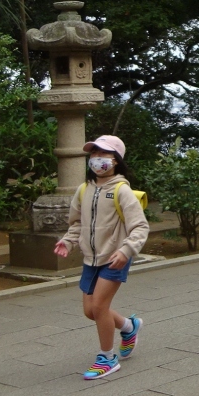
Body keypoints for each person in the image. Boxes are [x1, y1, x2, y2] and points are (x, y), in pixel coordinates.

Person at [54, 135, 150, 379]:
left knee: (99, 307)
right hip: (91, 258)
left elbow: (140, 227)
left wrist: (126, 250)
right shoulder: (84, 189)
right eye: (94, 153)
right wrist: (68, 241)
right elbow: (77, 223)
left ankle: (107, 358)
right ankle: (129, 326)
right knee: (90, 311)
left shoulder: (121, 190)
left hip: (115, 258)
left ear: (116, 160)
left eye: (103, 154)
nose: (97, 158)